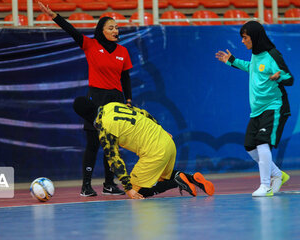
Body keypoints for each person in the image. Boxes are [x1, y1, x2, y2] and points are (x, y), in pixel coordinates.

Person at [39, 2, 133, 197]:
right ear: (102, 30)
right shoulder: (90, 45)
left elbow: (125, 78)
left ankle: (109, 184)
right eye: (111, 27)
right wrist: (54, 16)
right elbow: (71, 30)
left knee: (112, 144)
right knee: (94, 143)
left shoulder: (123, 52)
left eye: (117, 27)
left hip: (116, 100)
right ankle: (86, 186)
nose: (116, 30)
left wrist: (129, 100)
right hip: (96, 97)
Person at [73, 97, 215, 199]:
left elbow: (115, 160)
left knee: (138, 192)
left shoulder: (104, 128)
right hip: (166, 141)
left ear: (84, 117)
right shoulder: (112, 106)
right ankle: (193, 179)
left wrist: (128, 188)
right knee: (160, 175)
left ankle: (176, 181)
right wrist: (160, 128)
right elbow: (142, 113)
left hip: (155, 151)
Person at [215, 21, 293, 197]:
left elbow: (289, 78)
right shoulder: (256, 55)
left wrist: (279, 76)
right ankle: (278, 175)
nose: (242, 41)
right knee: (250, 147)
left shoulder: (273, 55)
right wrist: (232, 61)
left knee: (262, 142)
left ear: (255, 37)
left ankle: (266, 186)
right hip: (257, 109)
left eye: (245, 37)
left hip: (275, 106)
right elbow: (253, 69)